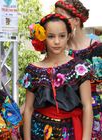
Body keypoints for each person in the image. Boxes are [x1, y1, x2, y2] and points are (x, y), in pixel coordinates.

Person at [19, 13, 93, 140]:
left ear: (69, 36)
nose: (57, 41)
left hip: (70, 132)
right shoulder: (32, 70)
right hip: (39, 132)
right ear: (42, 38)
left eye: (62, 36)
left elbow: (87, 106)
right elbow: (28, 108)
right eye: (51, 36)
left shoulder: (80, 68)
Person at [55, 0, 102, 139]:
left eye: (61, 17)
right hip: (64, 114)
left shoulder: (97, 48)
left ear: (75, 20)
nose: (57, 22)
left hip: (94, 113)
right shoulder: (57, 49)